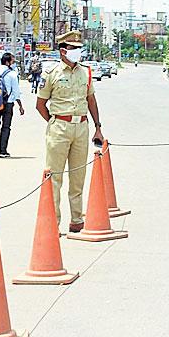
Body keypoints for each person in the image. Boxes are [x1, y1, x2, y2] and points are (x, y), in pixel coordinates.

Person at [37, 31, 105, 232]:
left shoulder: (86, 72)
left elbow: (91, 100)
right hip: (59, 126)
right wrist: (54, 121)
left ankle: (76, 219)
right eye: (73, 48)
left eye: (78, 48)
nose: (77, 52)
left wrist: (98, 127)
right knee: (54, 177)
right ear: (63, 50)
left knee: (78, 176)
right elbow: (40, 104)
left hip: (82, 127)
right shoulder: (51, 73)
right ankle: (53, 224)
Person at [0, 53, 24, 158]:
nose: (13, 63)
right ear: (7, 62)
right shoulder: (12, 74)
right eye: (13, 61)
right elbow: (16, 92)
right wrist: (20, 105)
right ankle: (3, 151)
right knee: (6, 127)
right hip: (8, 104)